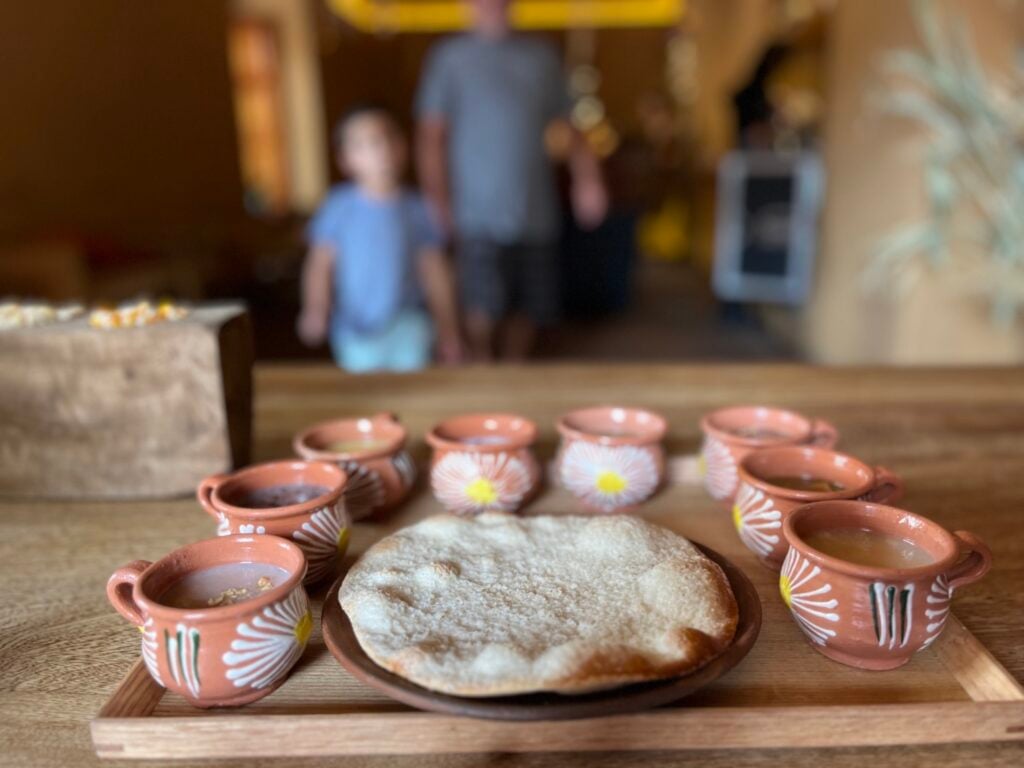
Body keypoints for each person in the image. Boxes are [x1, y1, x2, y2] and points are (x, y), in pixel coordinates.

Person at [415, 0, 608, 361]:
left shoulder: (542, 56)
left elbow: (572, 127)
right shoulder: (449, 58)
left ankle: (513, 368)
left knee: (531, 303)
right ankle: (484, 369)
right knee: (481, 303)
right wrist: (436, 200)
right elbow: (431, 135)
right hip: (475, 210)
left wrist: (589, 181)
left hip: (535, 207)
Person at [297, 105, 462, 372]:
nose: (381, 149)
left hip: (410, 326)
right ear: (345, 158)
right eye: (366, 144)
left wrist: (448, 329)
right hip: (355, 329)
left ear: (403, 146)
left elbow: (435, 272)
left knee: (412, 395)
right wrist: (316, 308)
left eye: (388, 138)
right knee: (365, 398)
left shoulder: (418, 209)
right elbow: (319, 265)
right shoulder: (337, 208)